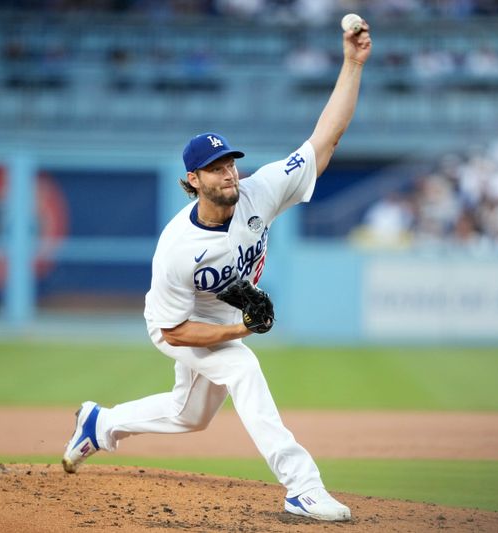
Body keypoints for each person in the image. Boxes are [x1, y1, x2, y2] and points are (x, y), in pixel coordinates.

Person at [62, 17, 372, 522]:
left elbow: (325, 140)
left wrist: (352, 64)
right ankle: (302, 486)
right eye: (216, 168)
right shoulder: (177, 248)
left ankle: (101, 424)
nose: (229, 172)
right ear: (193, 179)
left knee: (191, 416)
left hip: (214, 319)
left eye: (230, 163)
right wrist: (238, 330)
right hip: (176, 323)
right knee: (243, 367)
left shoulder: (260, 191)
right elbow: (175, 329)